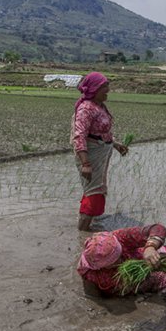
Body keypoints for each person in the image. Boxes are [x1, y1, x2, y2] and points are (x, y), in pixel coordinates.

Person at [71, 72, 129, 231]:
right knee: (93, 193)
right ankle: (81, 233)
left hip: (101, 154)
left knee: (96, 189)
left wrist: (115, 144)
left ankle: (88, 229)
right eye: (104, 87)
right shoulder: (86, 109)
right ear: (95, 89)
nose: (108, 90)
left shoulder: (99, 106)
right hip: (90, 157)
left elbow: (99, 133)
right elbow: (79, 136)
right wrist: (86, 163)